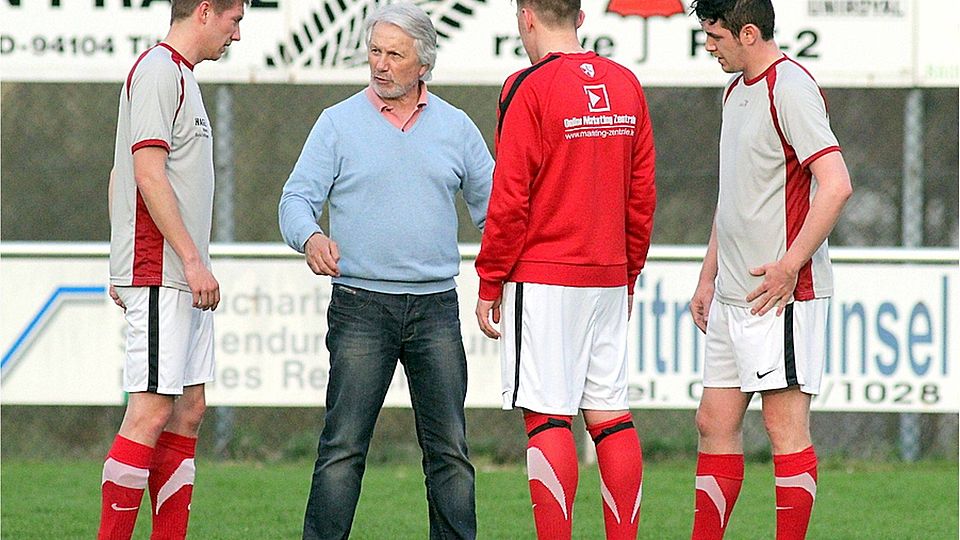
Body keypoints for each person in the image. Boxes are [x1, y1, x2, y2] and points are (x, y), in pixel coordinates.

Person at [278, 3, 493, 538]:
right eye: (375, 51)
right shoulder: (337, 123)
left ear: (424, 62)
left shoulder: (457, 128)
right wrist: (310, 236)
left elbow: (496, 213)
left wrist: (503, 273)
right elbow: (295, 199)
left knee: (449, 452)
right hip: (359, 308)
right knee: (342, 449)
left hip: (436, 309)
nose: (381, 64)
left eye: (395, 54)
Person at [474, 1, 656, 538]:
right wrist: (629, 272)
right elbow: (642, 194)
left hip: (546, 275)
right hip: (607, 274)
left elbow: (509, 199)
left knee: (548, 418)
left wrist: (489, 280)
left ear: (526, 17)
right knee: (610, 415)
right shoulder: (626, 85)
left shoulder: (525, 88)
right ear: (578, 17)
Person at [687, 1, 853, 539]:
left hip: (779, 296)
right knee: (712, 424)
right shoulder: (735, 92)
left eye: (715, 35)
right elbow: (732, 196)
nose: (708, 45)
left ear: (749, 32)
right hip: (733, 295)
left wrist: (790, 265)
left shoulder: (791, 87)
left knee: (784, 430)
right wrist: (708, 275)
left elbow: (836, 183)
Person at [100, 1, 246, 539]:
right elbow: (143, 170)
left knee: (189, 409)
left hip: (181, 274)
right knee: (150, 411)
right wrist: (182, 257)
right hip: (162, 269)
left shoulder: (183, 77)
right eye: (234, 22)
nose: (236, 36)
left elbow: (118, 171)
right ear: (205, 11)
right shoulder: (159, 70)